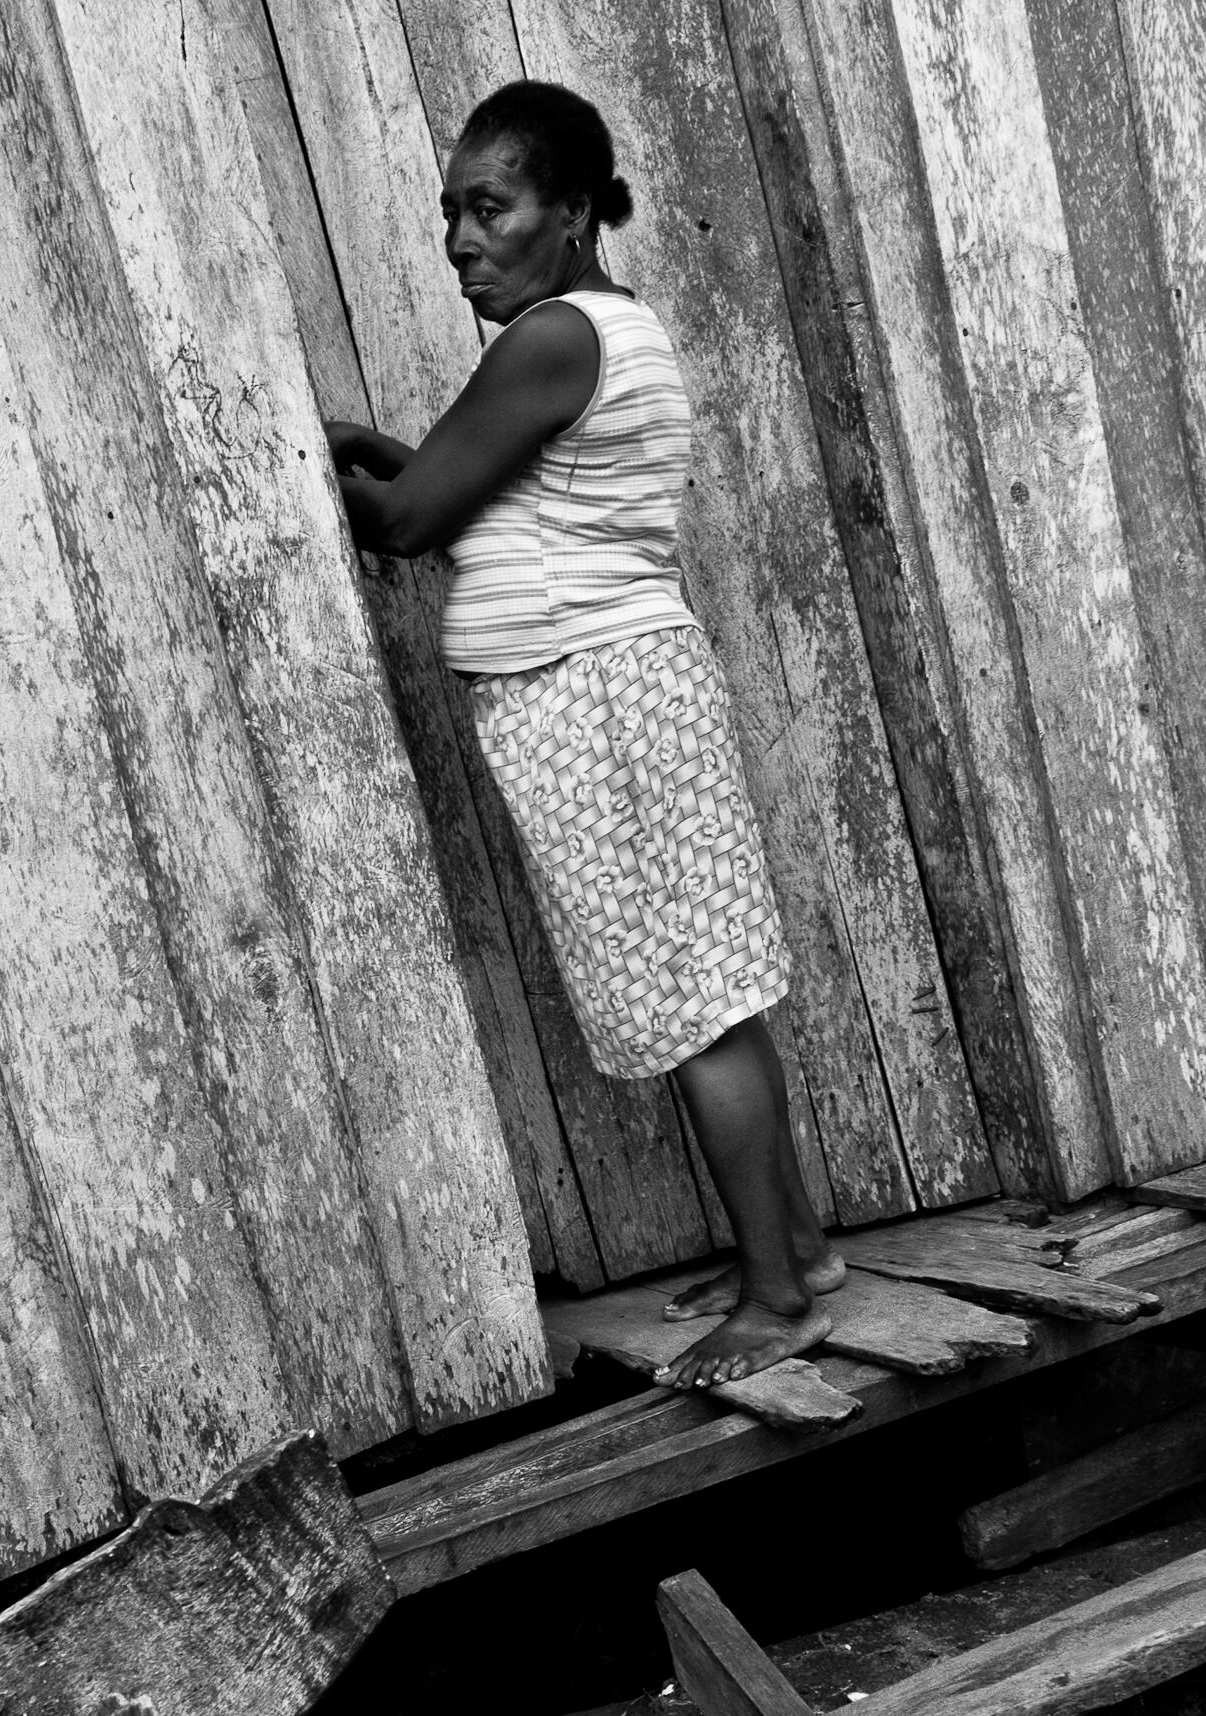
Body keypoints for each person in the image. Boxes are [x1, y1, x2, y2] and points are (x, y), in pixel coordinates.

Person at [328, 80, 844, 1389]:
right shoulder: (605, 334)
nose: (459, 237)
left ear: (567, 212)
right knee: (708, 987)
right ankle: (798, 1254)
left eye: (488, 206)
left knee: (693, 1001)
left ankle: (781, 1299)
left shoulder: (550, 341)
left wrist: (323, 465)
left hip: (594, 695)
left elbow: (411, 524)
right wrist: (381, 447)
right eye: (450, 211)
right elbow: (502, 500)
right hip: (614, 682)